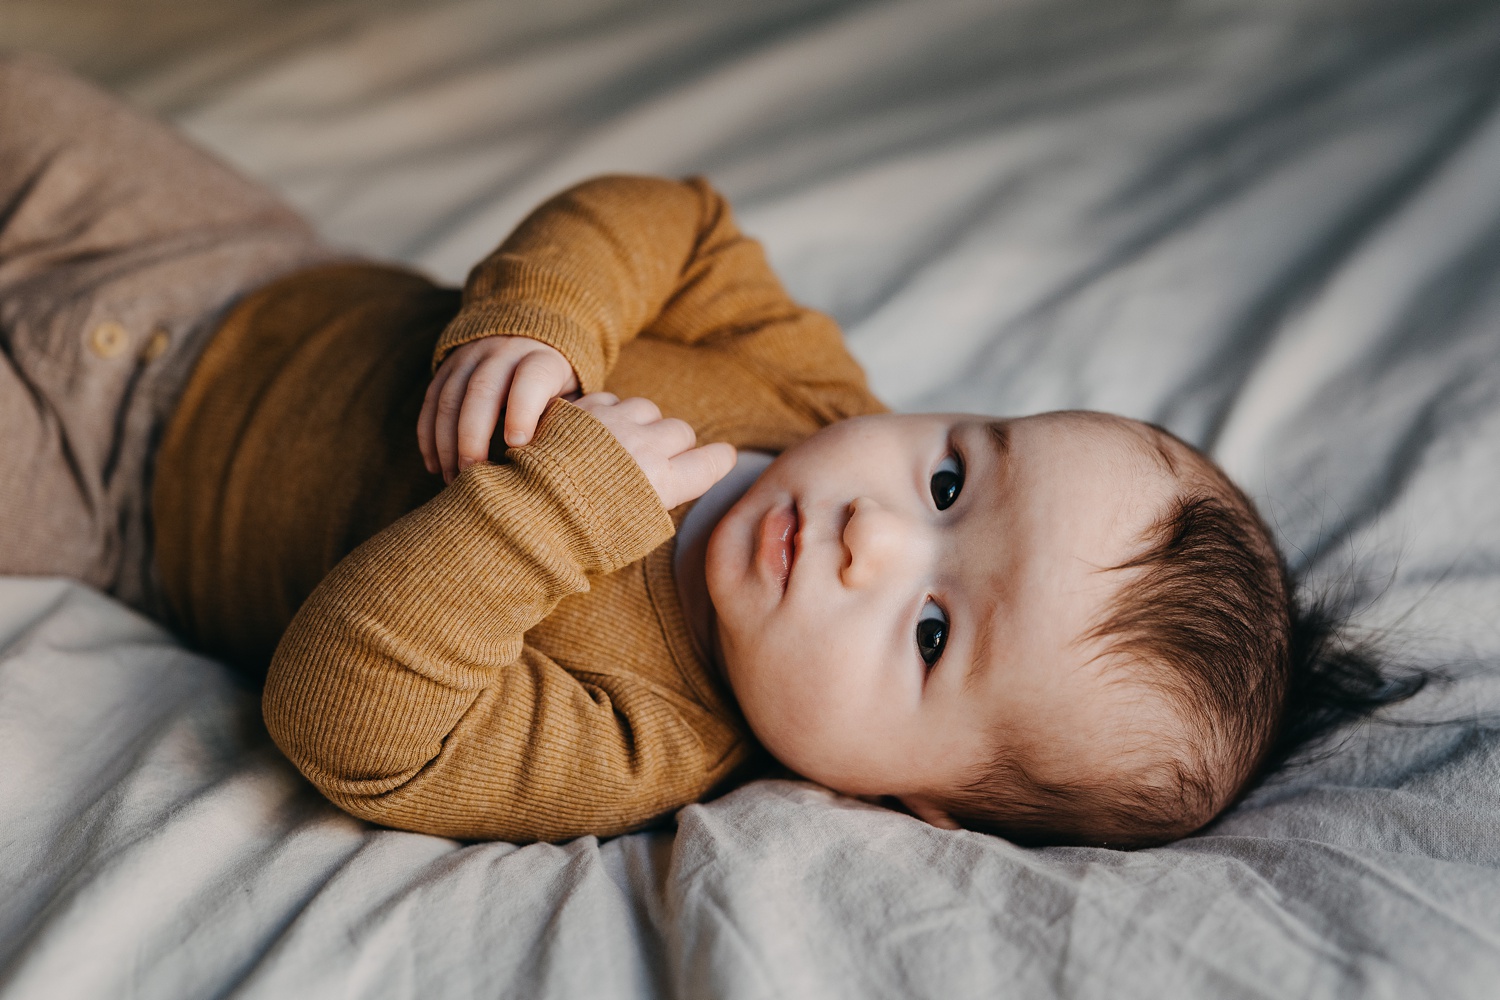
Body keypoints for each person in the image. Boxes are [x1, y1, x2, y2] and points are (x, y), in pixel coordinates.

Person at [0, 55, 1415, 849]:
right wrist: (542, 322)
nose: (878, 538)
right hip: (230, 259)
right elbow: (672, 220)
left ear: (907, 801)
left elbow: (346, 719)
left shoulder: (642, 740)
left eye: (931, 634)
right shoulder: (804, 390)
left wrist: (549, 523)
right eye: (949, 482)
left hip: (104, 488)